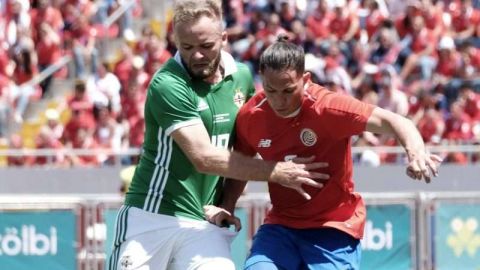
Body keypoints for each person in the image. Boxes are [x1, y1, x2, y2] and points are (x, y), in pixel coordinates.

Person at [108, 1, 328, 270]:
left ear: (224, 38)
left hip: (203, 222)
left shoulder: (242, 77)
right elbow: (204, 157)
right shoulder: (167, 84)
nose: (197, 55)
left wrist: (227, 204)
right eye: (186, 47)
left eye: (206, 46)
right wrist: (277, 171)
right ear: (175, 40)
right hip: (152, 216)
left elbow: (245, 146)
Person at [205, 35, 443, 270]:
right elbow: (241, 165)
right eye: (270, 90)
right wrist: (227, 207)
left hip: (334, 227)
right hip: (281, 227)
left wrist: (416, 153)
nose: (279, 100)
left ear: (305, 79)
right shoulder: (251, 117)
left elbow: (394, 120)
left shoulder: (329, 108)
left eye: (287, 90)